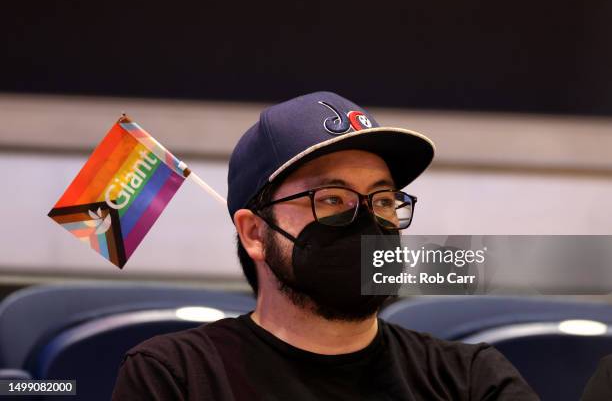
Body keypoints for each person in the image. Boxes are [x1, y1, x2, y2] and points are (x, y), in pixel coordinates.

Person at [111, 91, 538, 400]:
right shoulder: (177, 377)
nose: (368, 220)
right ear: (255, 234)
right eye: (332, 199)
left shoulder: (471, 379)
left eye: (383, 200)